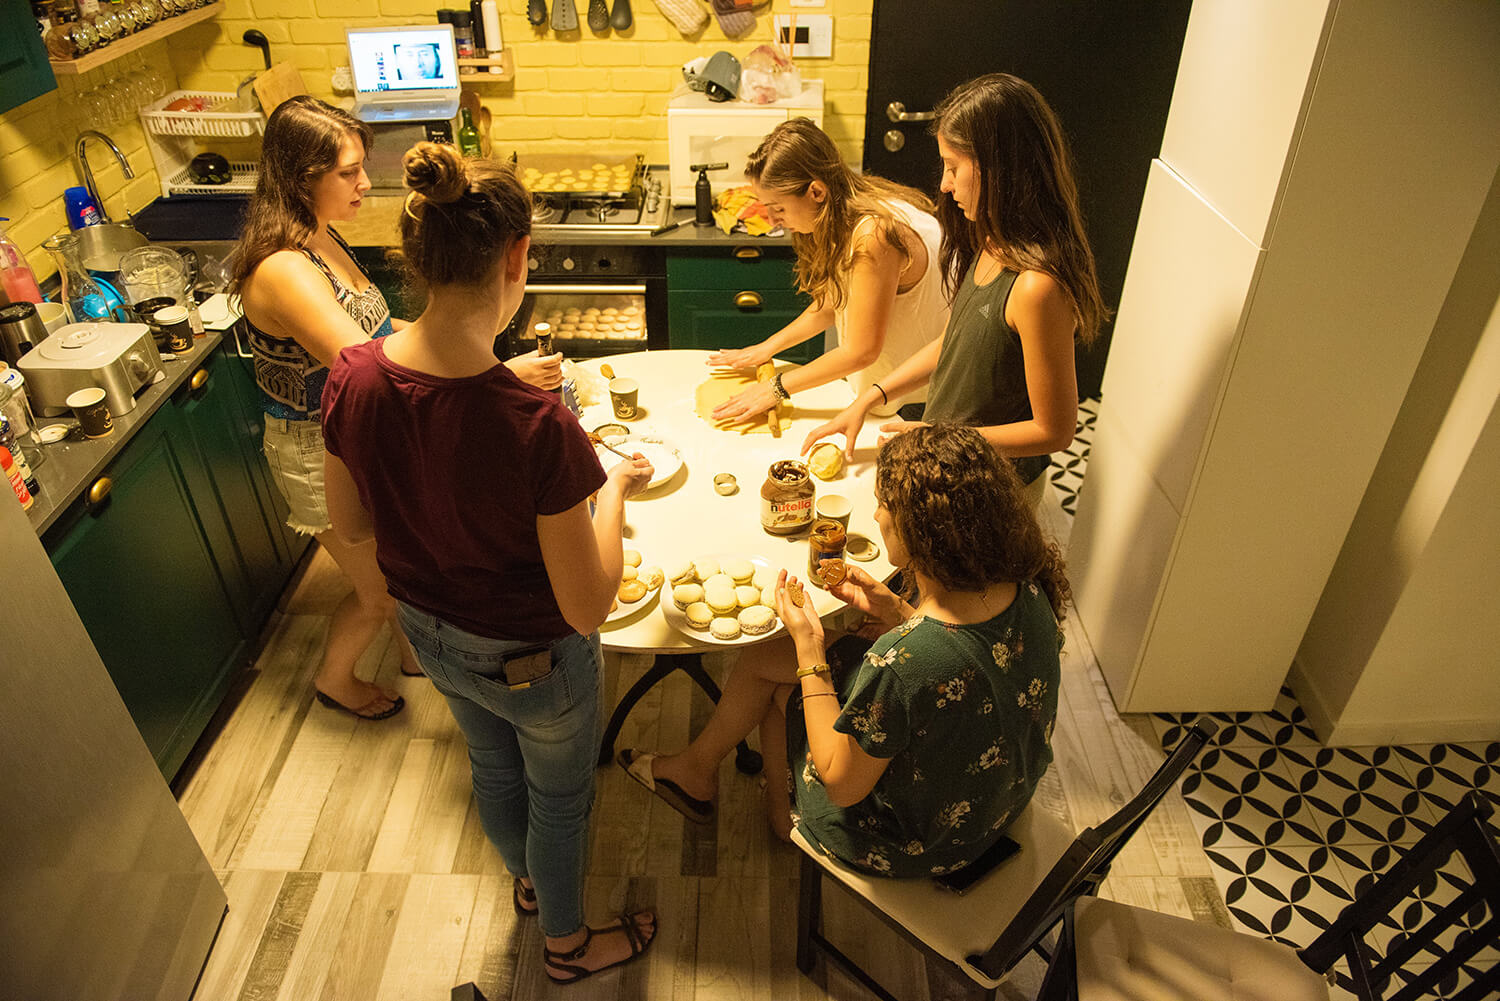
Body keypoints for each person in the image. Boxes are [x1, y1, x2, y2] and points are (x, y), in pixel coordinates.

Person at [319, 141, 658, 983]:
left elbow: (350, 522)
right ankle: (567, 946)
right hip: (534, 655)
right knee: (561, 798)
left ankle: (530, 885)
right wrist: (612, 489)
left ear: (415, 257)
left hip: (431, 637)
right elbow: (587, 606)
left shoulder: (354, 376)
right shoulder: (536, 424)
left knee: (492, 764)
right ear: (518, 258)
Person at [231, 96, 561, 720]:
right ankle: (334, 681)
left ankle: (414, 656)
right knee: (379, 592)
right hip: (319, 448)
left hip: (366, 431)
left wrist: (462, 344)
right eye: (348, 172)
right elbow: (371, 368)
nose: (364, 182)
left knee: (398, 561)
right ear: (302, 179)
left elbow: (384, 333)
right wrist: (493, 375)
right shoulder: (284, 269)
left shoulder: (321, 237)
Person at [617, 424, 1066, 879]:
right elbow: (967, 661)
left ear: (921, 530)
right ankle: (695, 768)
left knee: (784, 691)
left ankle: (784, 821)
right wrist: (898, 610)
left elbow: (841, 784)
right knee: (765, 658)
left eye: (883, 504)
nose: (876, 515)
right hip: (995, 797)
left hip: (919, 841)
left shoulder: (903, 661)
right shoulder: (1027, 589)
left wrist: (810, 649)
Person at [803, 74, 1107, 507]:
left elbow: (1053, 431)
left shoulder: (1036, 287)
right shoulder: (991, 242)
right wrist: (869, 398)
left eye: (953, 166)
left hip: (993, 494)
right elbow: (955, 342)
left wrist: (938, 437)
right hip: (950, 464)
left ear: (998, 169)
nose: (945, 184)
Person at [705, 118, 948, 424]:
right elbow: (834, 304)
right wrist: (767, 348)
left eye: (778, 208)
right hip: (891, 391)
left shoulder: (873, 236)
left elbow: (861, 351)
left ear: (816, 191)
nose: (772, 220)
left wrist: (775, 388)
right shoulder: (854, 206)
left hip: (916, 400)